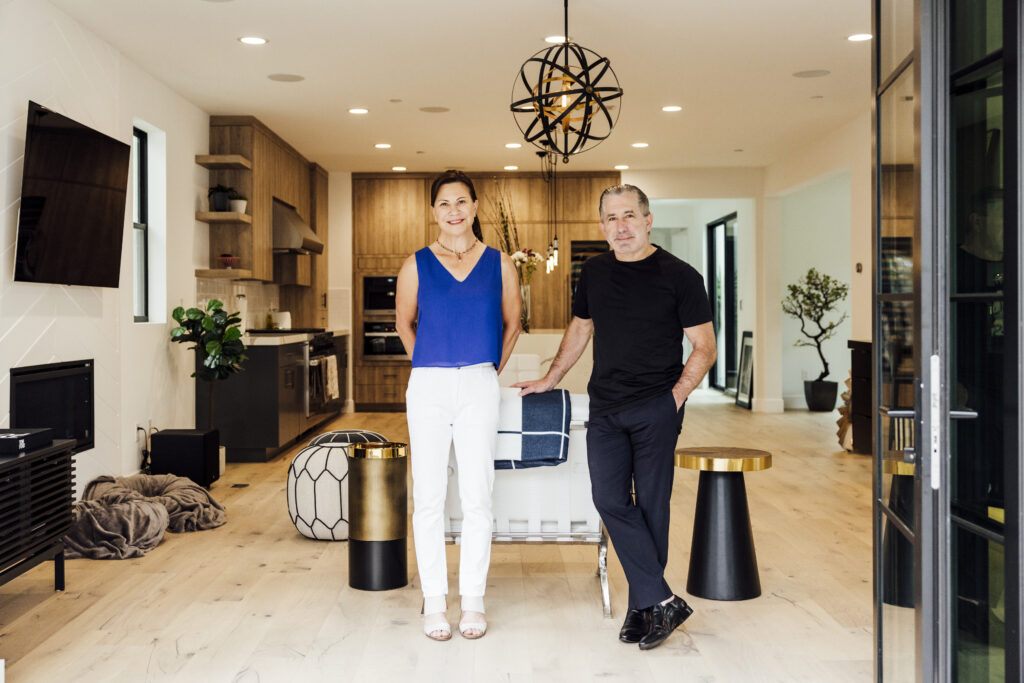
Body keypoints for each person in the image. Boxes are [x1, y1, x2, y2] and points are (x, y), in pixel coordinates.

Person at [514, 184, 716, 650]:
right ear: (602, 226)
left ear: (648, 219)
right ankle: (661, 600)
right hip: (605, 405)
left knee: (651, 506)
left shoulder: (680, 275)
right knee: (608, 498)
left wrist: (676, 397)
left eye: (629, 216)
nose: (620, 226)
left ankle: (642, 607)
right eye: (611, 218)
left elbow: (704, 347)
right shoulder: (596, 272)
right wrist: (550, 377)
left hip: (656, 407)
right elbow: (581, 328)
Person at [395, 170, 521, 641]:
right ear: (434, 211)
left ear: (474, 207)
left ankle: (472, 601)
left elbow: (512, 324)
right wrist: (430, 364)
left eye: (462, 201)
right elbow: (404, 322)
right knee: (427, 497)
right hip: (428, 384)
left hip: (479, 383)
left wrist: (487, 369)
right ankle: (433, 603)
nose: (454, 210)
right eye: (445, 203)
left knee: (477, 496)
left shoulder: (499, 263)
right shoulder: (416, 264)